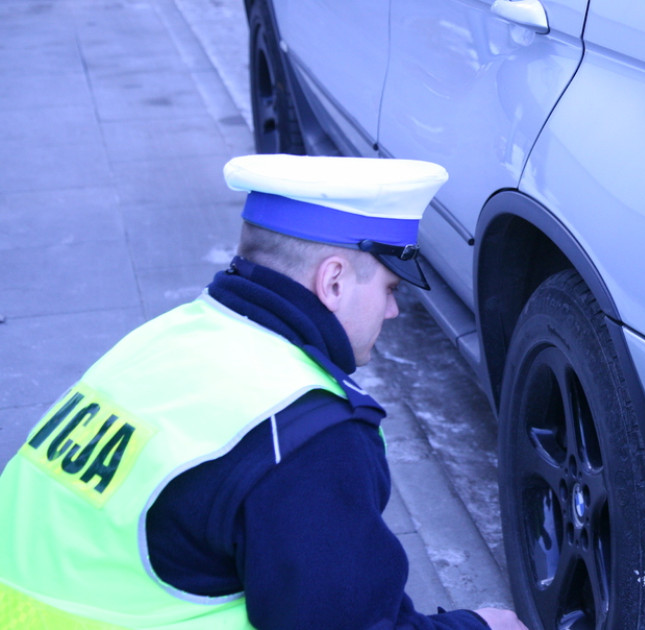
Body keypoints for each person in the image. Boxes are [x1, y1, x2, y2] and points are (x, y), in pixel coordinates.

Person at [0, 155, 528, 630]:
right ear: (334, 282)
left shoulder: (168, 337)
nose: (393, 311)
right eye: (390, 289)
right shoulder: (305, 433)